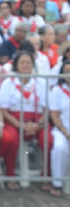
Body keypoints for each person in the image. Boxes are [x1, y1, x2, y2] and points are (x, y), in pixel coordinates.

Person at [0, 50, 52, 190]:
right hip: (14, 121)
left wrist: (38, 124)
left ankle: (46, 175)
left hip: (37, 120)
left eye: (29, 62)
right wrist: (20, 125)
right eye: (22, 62)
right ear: (16, 65)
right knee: (11, 139)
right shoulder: (8, 83)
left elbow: (47, 109)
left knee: (48, 139)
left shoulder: (41, 82)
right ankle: (10, 175)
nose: (26, 65)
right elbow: (4, 110)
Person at [48, 59, 70, 197]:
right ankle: (57, 183)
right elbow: (54, 115)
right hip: (62, 129)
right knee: (60, 148)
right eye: (67, 72)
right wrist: (66, 133)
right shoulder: (57, 91)